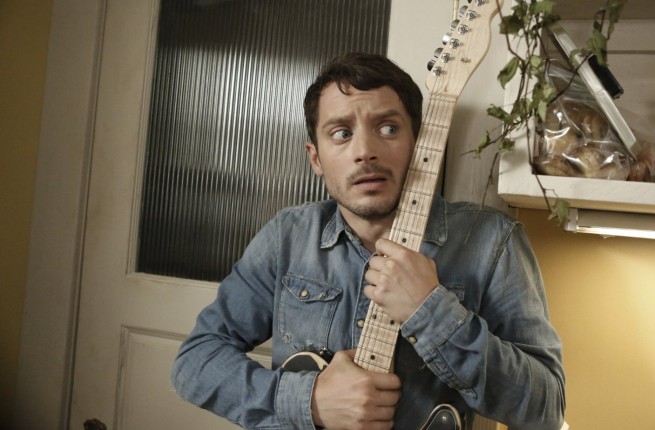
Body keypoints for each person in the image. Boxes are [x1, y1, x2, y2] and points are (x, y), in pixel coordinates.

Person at [171, 52, 565, 430]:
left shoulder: (493, 241)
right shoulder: (287, 236)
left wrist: (431, 311)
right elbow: (195, 361)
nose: (365, 152)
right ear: (316, 158)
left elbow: (546, 409)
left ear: (419, 144)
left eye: (388, 128)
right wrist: (309, 401)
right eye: (341, 134)